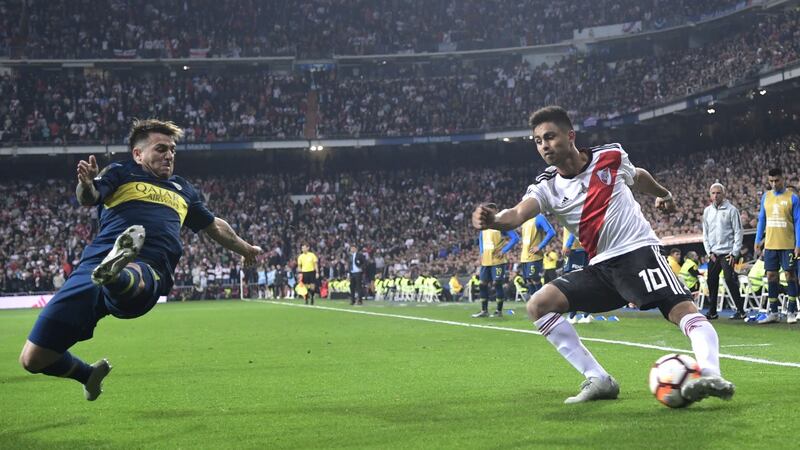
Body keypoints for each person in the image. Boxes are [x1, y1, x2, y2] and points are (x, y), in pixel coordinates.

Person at [471, 106, 734, 404]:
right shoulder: (547, 186)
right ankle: (598, 379)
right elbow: (517, 214)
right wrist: (493, 220)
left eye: (550, 137)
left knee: (682, 312)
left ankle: (710, 373)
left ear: (570, 136)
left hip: (638, 251)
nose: (544, 146)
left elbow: (638, 176)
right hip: (600, 268)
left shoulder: (610, 156)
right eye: (538, 141)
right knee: (539, 305)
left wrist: (664, 194)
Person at [19, 119, 262, 401]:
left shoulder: (183, 190)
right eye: (161, 149)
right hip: (90, 269)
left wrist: (245, 249)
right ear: (138, 154)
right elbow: (90, 196)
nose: (169, 155)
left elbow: (214, 226)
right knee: (33, 359)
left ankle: (117, 272)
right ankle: (88, 374)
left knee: (134, 272)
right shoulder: (121, 172)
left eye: (172, 150)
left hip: (151, 268)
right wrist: (85, 184)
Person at [754, 168, 800, 324]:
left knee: (790, 276)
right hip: (770, 245)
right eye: (771, 181)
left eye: (777, 181)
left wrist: (798, 244)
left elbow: (798, 222)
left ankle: (792, 311)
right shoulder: (766, 197)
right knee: (771, 276)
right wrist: (757, 240)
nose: (774, 184)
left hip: (787, 244)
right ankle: (773, 312)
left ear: (783, 179)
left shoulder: (792, 197)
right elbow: (761, 219)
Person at [702, 183, 746, 320]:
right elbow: (705, 233)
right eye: (713, 193)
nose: (715, 196)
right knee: (711, 281)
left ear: (724, 194)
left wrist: (734, 253)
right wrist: (709, 252)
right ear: (710, 195)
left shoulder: (732, 210)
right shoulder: (707, 211)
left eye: (718, 193)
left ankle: (741, 310)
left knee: (729, 280)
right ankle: (712, 311)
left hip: (728, 253)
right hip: (714, 254)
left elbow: (738, 232)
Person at [471, 227, 519, 318]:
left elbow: (515, 238)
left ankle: (498, 311)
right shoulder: (484, 227)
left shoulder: (501, 224)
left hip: (498, 261)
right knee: (482, 284)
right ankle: (484, 311)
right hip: (486, 261)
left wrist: (504, 250)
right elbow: (481, 239)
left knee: (497, 283)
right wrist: (482, 252)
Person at [519, 214, 556, 295]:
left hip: (534, 256)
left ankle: (541, 301)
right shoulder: (524, 220)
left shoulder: (538, 217)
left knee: (535, 279)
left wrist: (539, 246)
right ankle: (534, 303)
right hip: (524, 257)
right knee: (528, 280)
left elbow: (551, 232)